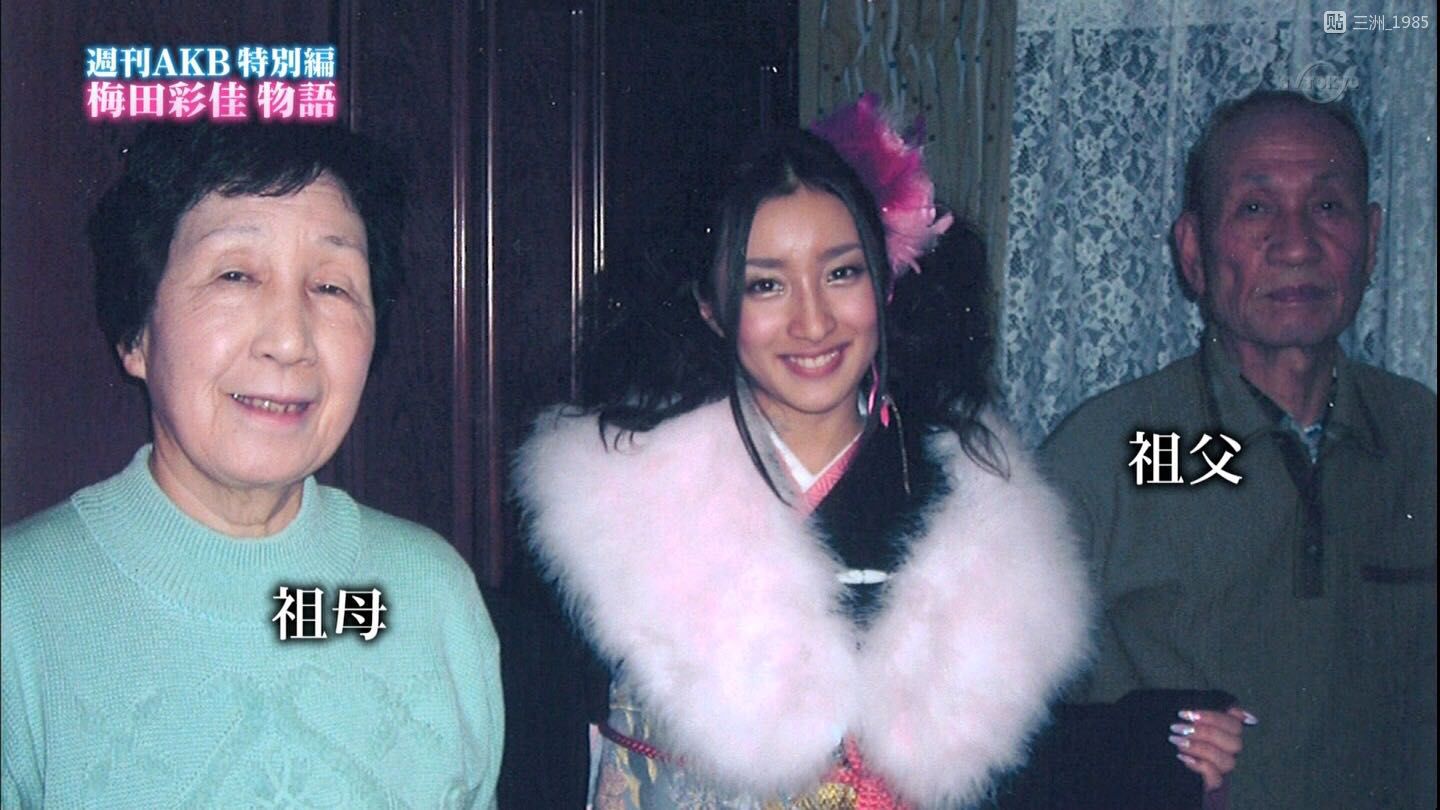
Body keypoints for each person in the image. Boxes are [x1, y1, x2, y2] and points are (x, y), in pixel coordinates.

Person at [513, 95, 1236, 808]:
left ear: (885, 280)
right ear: (709, 307)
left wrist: (1155, 745)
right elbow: (544, 758)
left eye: (841, 273)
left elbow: (1011, 774)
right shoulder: (615, 507)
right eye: (766, 285)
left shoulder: (975, 509)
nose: (813, 320)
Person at [1, 123, 504, 807]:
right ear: (136, 334)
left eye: (331, 287)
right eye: (235, 275)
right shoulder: (21, 609)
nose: (291, 340)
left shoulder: (429, 594)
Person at [1040, 89, 1437, 808]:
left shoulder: (1420, 438)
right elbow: (1006, 732)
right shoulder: (1108, 451)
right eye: (1255, 208)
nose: (1296, 245)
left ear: (1373, 239)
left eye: (1328, 206)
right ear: (1192, 251)